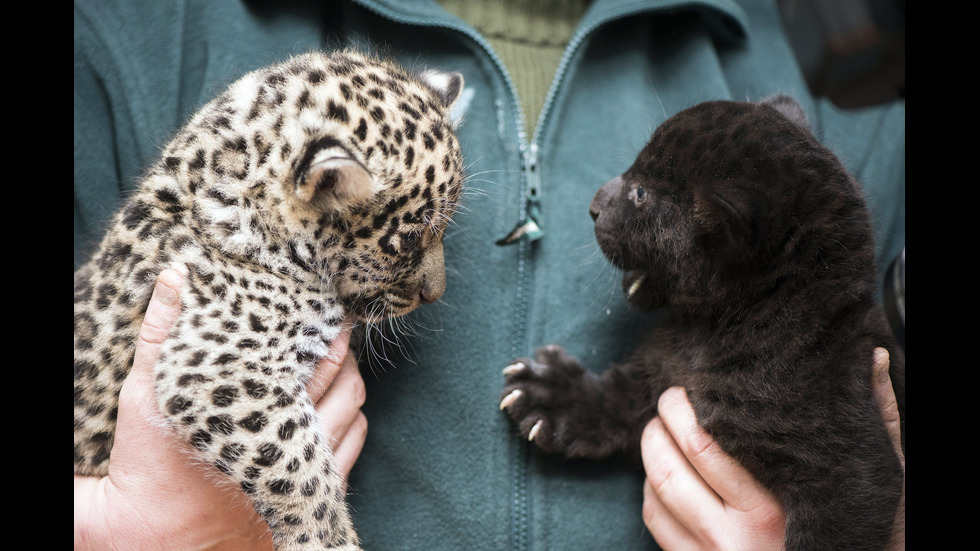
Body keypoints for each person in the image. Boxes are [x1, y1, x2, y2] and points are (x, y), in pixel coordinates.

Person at [75, 1, 905, 549]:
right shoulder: (136, 26)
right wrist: (119, 531)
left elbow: (863, 459)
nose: (436, 286)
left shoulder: (842, 86)